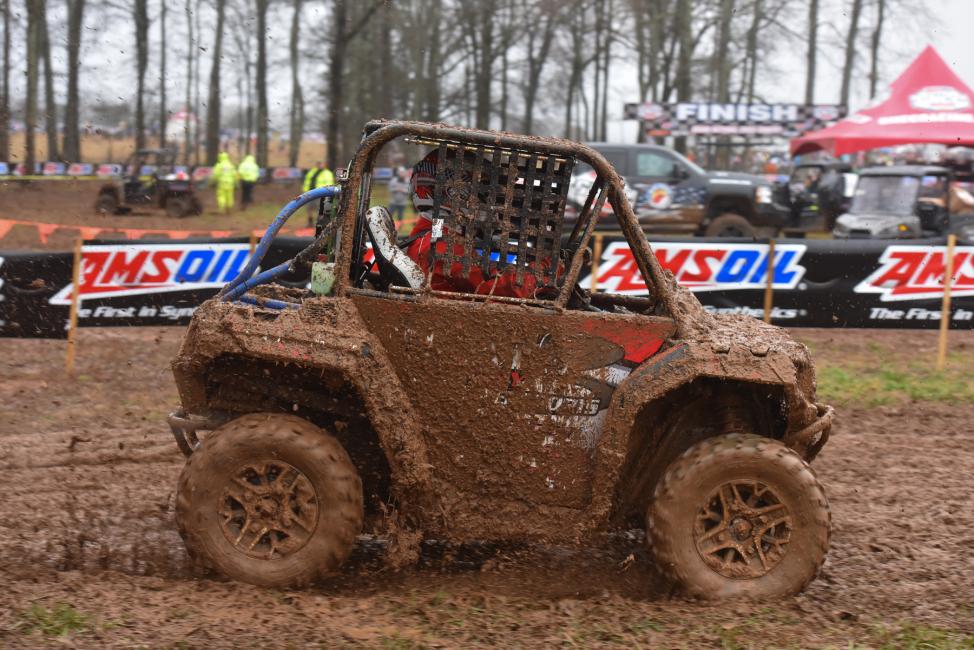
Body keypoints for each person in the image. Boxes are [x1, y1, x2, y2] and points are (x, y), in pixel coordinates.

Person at [401, 150, 555, 299]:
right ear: (454, 193)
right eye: (484, 190)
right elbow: (504, 290)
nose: (491, 202)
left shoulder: (433, 234)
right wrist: (548, 266)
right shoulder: (439, 245)